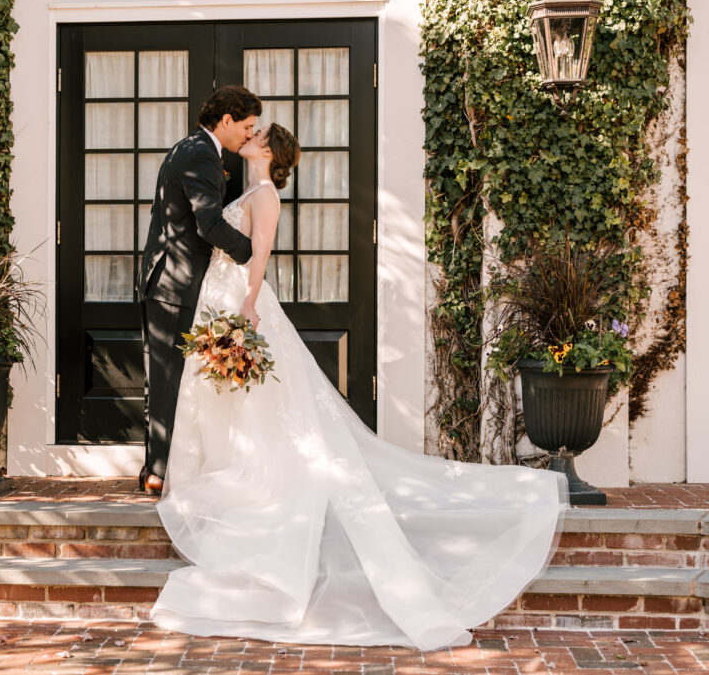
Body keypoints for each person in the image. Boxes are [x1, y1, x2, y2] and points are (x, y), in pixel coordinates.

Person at [151, 123, 570, 652]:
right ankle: (234, 469)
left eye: (258, 135)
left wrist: (249, 305)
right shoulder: (246, 191)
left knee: (259, 398)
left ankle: (261, 480)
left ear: (271, 152)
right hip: (217, 296)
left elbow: (258, 255)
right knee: (235, 399)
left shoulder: (266, 196)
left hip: (240, 301)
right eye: (250, 131)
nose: (250, 137)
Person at [136, 86, 262, 496]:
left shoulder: (192, 148)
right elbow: (208, 224)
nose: (248, 135)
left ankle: (158, 469)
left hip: (170, 278)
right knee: (167, 378)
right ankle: (157, 473)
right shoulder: (201, 154)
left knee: (167, 376)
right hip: (174, 281)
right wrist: (252, 251)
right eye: (246, 126)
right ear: (225, 120)